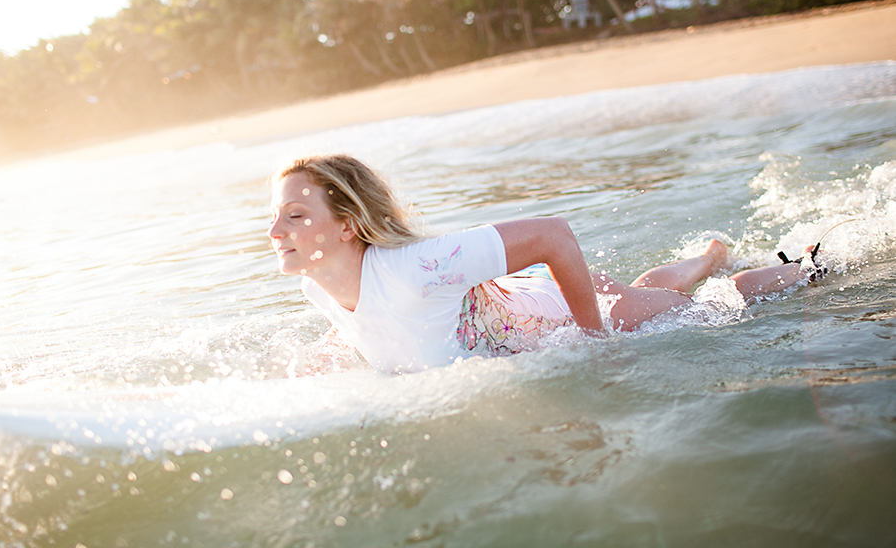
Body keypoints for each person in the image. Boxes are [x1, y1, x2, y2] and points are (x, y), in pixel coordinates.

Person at [268, 155, 820, 374]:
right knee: (654, 292)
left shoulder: (415, 268)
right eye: (276, 216)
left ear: (347, 224)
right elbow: (373, 320)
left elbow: (554, 234)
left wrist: (595, 337)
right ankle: (706, 255)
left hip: (559, 305)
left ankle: (817, 263)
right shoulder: (319, 288)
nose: (275, 232)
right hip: (515, 300)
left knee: (713, 307)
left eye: (295, 215)